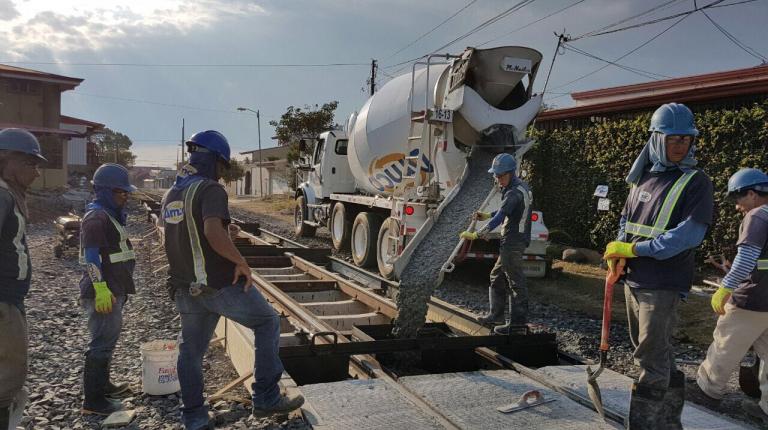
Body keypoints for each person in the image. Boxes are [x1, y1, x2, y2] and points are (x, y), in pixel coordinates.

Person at [161, 130, 303, 429]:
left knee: (190, 352)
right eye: (222, 166)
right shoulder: (210, 189)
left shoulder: (172, 194)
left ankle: (195, 419)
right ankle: (266, 398)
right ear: (214, 160)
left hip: (185, 288)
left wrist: (228, 235)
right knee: (267, 322)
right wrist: (241, 261)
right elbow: (211, 233)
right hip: (217, 285)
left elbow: (188, 234)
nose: (222, 173)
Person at [603, 102, 714, 429]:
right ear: (656, 139)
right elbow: (626, 219)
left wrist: (634, 250)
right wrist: (620, 252)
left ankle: (645, 425)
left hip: (664, 282)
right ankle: (668, 423)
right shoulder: (643, 177)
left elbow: (688, 236)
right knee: (654, 350)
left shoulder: (696, 181)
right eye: (672, 139)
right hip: (634, 278)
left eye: (685, 139)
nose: (680, 145)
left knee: (650, 358)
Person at [696, 167, 768, 426]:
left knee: (725, 344)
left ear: (751, 193)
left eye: (737, 199)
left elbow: (747, 258)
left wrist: (726, 287)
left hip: (750, 300)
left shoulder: (758, 216)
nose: (737, 207)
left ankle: (708, 390)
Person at [79, 163, 137, 415]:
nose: (125, 197)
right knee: (101, 343)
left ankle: (104, 385)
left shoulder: (108, 214)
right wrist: (101, 288)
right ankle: (93, 401)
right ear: (104, 191)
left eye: (126, 193)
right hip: (104, 291)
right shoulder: (96, 217)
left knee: (108, 341)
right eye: (120, 192)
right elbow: (91, 257)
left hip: (114, 288)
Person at [0, 128, 45, 430]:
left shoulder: (9, 195)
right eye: (30, 163)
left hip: (10, 300)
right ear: (7, 160)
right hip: (3, 302)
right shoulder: (2, 196)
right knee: (8, 376)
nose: (36, 172)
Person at [459, 152, 532, 335]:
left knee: (516, 282)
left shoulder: (514, 193)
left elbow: (501, 216)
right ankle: (496, 316)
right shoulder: (519, 187)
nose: (498, 179)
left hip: (513, 242)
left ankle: (517, 325)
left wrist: (477, 234)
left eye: (500, 175)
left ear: (510, 173)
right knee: (496, 275)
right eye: (496, 175)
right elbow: (506, 211)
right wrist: (486, 216)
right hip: (514, 240)